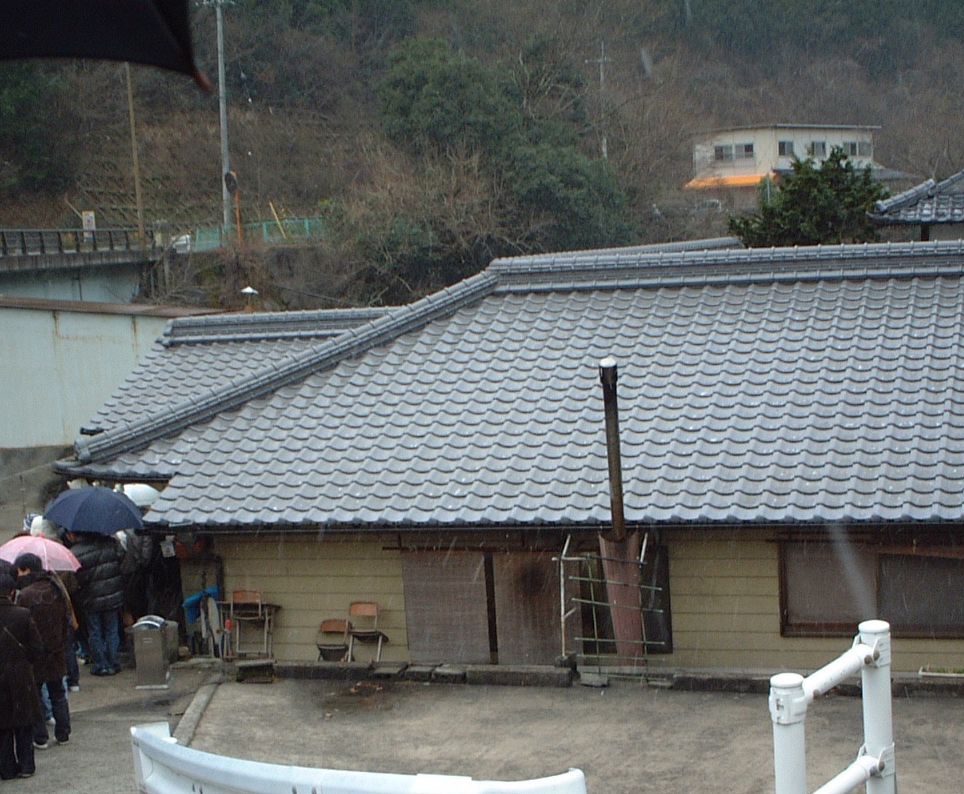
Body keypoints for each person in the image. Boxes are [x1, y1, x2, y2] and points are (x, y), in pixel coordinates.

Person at [14, 554, 71, 748]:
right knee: (58, 693)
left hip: (34, 654)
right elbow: (66, 620)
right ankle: (63, 733)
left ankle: (40, 737)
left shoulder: (24, 595)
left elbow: (20, 627)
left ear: (27, 570)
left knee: (35, 697)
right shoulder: (56, 589)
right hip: (56, 650)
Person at [0, 572, 43, 779]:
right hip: (20, 675)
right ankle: (27, 766)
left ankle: (6, 767)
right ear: (11, 591)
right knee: (24, 721)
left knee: (3, 725)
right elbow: (37, 648)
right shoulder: (23, 615)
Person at [68, 531, 126, 676]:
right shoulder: (110, 544)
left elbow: (76, 578)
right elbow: (121, 557)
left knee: (95, 632)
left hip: (90, 598)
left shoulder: (75, 552)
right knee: (112, 629)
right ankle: (113, 662)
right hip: (112, 594)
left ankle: (101, 664)